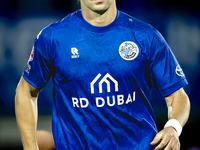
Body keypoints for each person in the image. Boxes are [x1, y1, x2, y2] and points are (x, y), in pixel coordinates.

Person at [15, 0, 190, 149]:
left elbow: (177, 95)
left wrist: (173, 127)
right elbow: (25, 91)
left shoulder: (145, 36)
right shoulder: (53, 38)